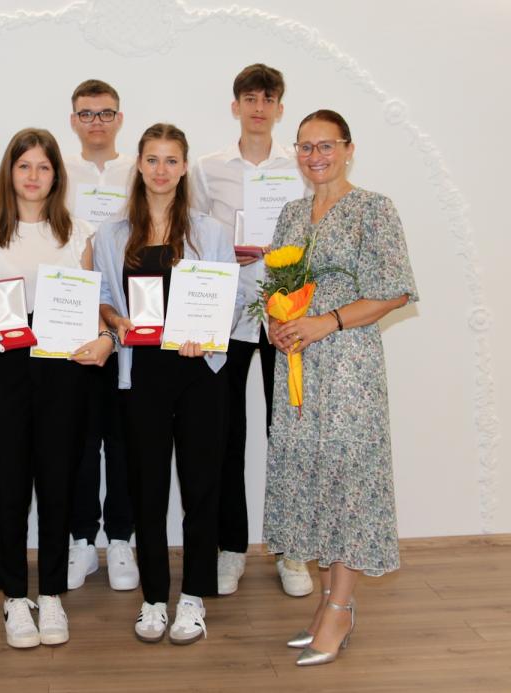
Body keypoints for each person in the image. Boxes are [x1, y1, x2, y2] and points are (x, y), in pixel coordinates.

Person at [263, 109, 418, 666]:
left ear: (349, 149)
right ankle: (327, 602)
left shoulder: (374, 209)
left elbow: (395, 291)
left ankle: (340, 608)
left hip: (349, 367)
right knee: (315, 478)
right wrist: (276, 324)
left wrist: (324, 323)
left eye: (325, 145)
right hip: (298, 369)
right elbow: (274, 286)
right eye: (305, 147)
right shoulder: (291, 214)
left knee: (349, 481)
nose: (315, 156)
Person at [94, 123, 241, 645]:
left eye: (171, 160)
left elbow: (231, 298)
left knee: (201, 489)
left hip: (199, 372)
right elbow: (103, 296)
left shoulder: (210, 231)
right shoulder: (112, 234)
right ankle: (154, 598)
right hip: (142, 373)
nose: (161, 170)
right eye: (152, 159)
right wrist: (115, 320)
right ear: (139, 164)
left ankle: (194, 597)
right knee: (147, 489)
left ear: (183, 167)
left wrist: (209, 334)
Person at [0, 128, 114, 649]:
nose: (33, 176)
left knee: (57, 483)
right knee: (10, 485)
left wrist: (105, 338)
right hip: (6, 364)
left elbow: (91, 302)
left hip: (63, 368)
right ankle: (14, 596)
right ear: (10, 172)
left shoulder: (77, 232)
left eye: (43, 167)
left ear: (57, 175)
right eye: (24, 165)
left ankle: (50, 593)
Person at [190, 63, 313, 597]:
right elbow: (193, 238)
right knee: (225, 434)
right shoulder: (207, 168)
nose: (258, 108)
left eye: (268, 99)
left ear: (280, 108)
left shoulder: (299, 165)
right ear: (235, 106)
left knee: (286, 434)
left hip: (288, 317)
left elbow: (314, 233)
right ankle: (231, 548)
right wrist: (224, 257)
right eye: (250, 98)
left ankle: (292, 551)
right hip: (229, 315)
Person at [64, 78, 138, 592]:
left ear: (119, 118)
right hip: (72, 323)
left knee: (124, 438)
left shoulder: (138, 171)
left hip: (129, 321)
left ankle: (121, 539)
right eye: (87, 113)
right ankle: (81, 540)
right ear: (73, 120)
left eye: (105, 113)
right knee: (80, 439)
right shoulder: (58, 171)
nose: (96, 121)